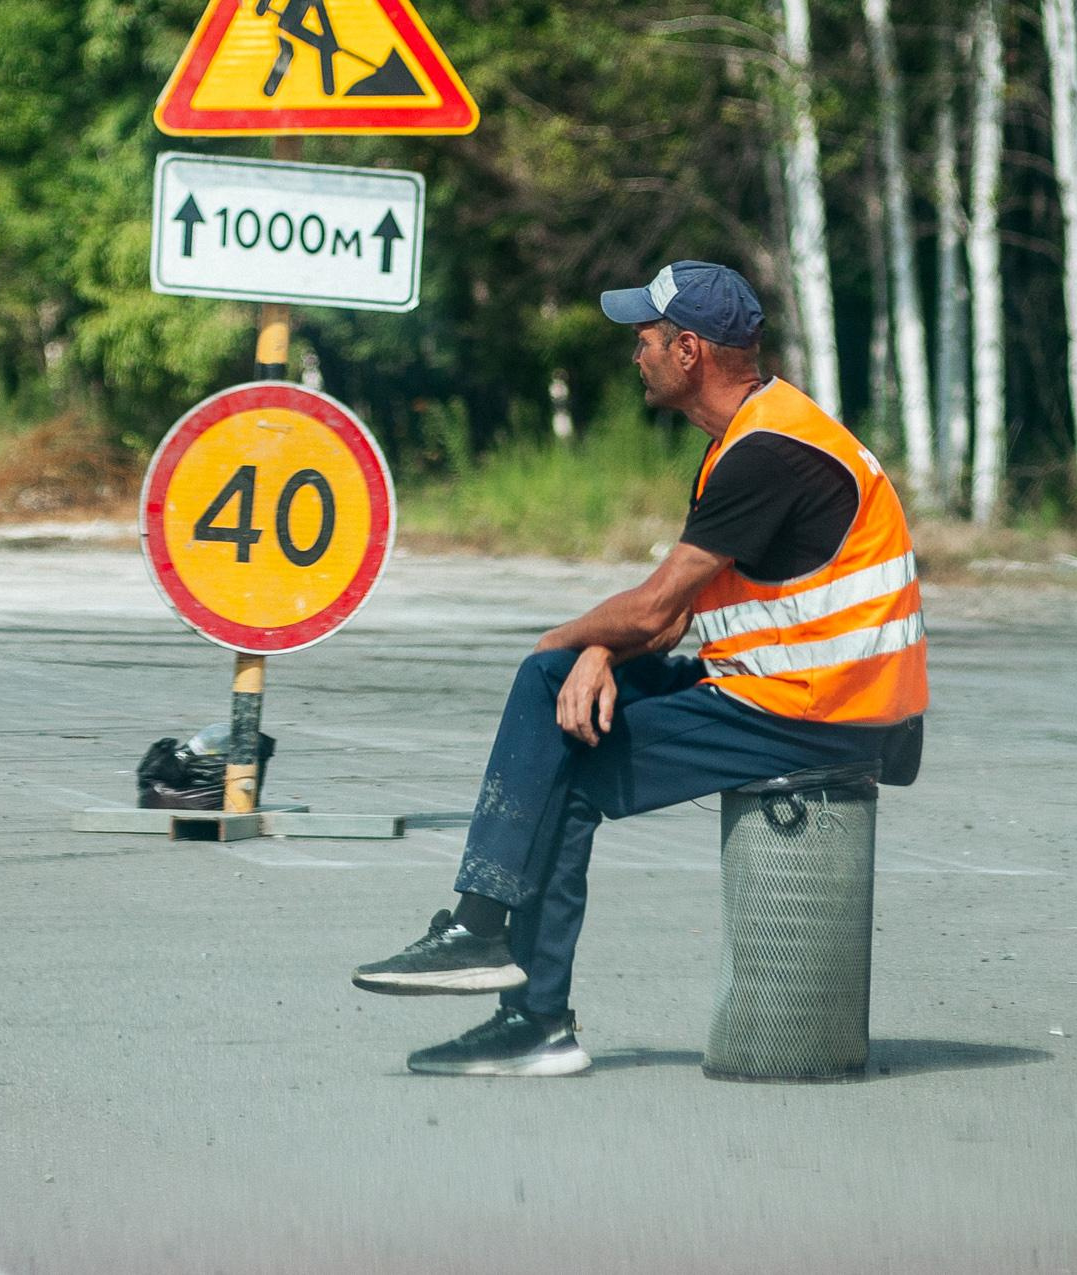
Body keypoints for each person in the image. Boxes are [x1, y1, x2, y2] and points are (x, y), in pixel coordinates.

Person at [351, 260, 928, 1076]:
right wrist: (593, 651)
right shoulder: (756, 432)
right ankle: (480, 931)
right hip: (777, 682)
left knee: (566, 758)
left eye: (645, 339)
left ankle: (527, 1007)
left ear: (688, 349)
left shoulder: (768, 451)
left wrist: (562, 634)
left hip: (813, 707)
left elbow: (658, 609)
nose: (636, 355)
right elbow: (677, 610)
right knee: (556, 688)